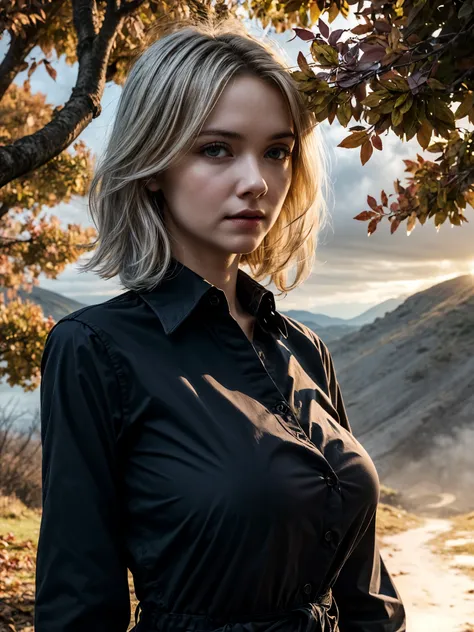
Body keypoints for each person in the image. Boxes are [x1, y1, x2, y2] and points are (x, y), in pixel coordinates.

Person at [34, 15, 406, 632]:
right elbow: (77, 604)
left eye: (277, 152)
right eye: (217, 149)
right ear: (153, 164)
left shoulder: (304, 348)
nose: (257, 181)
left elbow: (365, 587)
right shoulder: (94, 350)